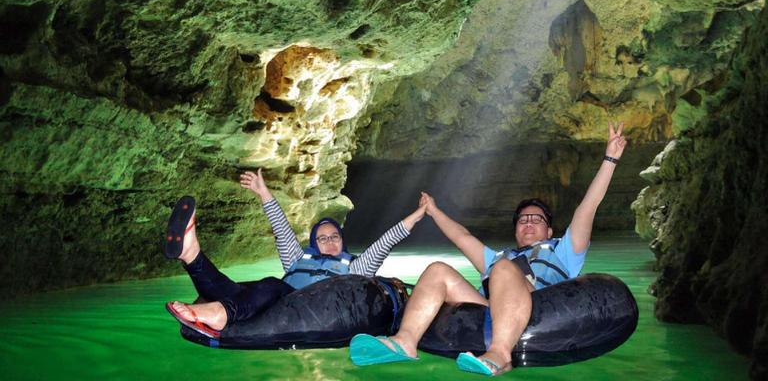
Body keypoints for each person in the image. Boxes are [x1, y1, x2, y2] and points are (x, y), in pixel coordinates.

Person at [350, 121, 627, 376]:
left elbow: (586, 208)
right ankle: (404, 342)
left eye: (536, 219)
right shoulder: (499, 257)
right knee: (437, 270)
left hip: (539, 308)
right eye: (522, 219)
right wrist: (433, 211)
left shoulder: (564, 251)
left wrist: (610, 160)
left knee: (504, 270)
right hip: (491, 310)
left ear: (549, 231)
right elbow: (462, 236)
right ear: (516, 228)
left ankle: (500, 354)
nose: (528, 223)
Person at [164, 168, 427, 338]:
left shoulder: (356, 268)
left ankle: (222, 313)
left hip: (318, 311)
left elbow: (385, 243)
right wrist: (263, 191)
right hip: (276, 305)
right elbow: (281, 228)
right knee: (241, 288)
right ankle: (191, 254)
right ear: (314, 244)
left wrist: (416, 217)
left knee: (271, 285)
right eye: (322, 238)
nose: (330, 241)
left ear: (342, 241)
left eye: (335, 236)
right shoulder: (298, 259)